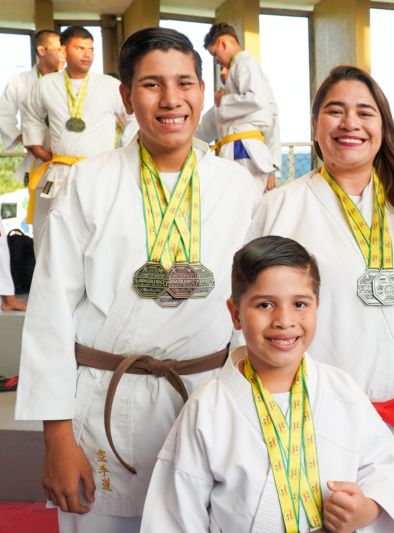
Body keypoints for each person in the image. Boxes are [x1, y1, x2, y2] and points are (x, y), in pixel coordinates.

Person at [14, 27, 258, 533]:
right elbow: (51, 310)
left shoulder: (238, 188)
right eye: (151, 85)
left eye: (185, 83)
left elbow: (251, 307)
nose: (172, 100)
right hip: (108, 404)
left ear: (202, 89)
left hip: (207, 399)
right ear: (125, 97)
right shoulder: (88, 181)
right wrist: (57, 438)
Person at [248, 65, 394, 531]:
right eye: (334, 111)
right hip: (314, 423)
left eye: (365, 112)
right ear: (316, 126)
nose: (350, 124)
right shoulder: (280, 207)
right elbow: (246, 319)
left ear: (383, 125)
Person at [141, 235, 394, 532]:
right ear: (236, 314)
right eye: (265, 304)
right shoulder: (208, 408)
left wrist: (367, 508)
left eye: (299, 304)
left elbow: (385, 466)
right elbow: (177, 515)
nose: (284, 320)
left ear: (317, 306)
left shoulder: (341, 390)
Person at [21, 25, 137, 254]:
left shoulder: (110, 85)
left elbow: (132, 116)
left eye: (91, 49)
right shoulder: (46, 84)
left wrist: (125, 150)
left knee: (100, 231)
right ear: (64, 50)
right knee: (51, 232)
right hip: (59, 169)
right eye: (80, 48)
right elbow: (31, 115)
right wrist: (37, 147)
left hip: (100, 170)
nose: (88, 54)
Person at [0, 29, 64, 310]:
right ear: (41, 51)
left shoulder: (72, 82)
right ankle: (43, 287)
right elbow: (4, 114)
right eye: (58, 48)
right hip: (40, 161)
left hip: (70, 160)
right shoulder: (21, 81)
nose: (63, 53)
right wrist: (27, 141)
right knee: (41, 225)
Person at [203, 23, 281, 192]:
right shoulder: (240, 70)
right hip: (238, 147)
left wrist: (223, 100)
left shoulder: (245, 62)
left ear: (223, 43)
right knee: (237, 199)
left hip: (243, 147)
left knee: (244, 198)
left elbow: (257, 99)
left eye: (214, 54)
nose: (216, 61)